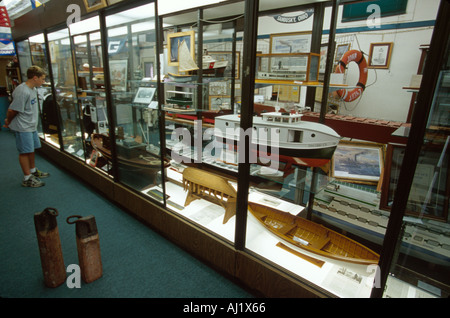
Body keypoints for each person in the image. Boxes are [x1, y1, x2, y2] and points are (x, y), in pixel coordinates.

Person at [3, 65, 49, 187]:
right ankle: (27, 178)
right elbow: (12, 110)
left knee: (31, 149)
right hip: (23, 127)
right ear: (35, 78)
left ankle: (33, 171)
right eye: (42, 79)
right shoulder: (22, 91)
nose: (43, 81)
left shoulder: (32, 89)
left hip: (31, 126)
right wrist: (8, 121)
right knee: (24, 151)